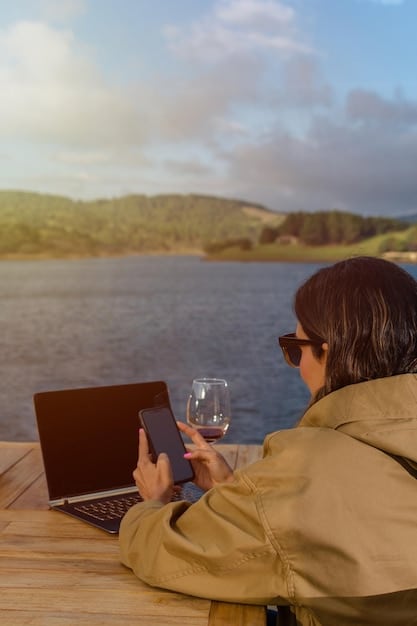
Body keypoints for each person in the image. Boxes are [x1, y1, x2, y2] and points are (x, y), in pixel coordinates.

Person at [119, 256, 417, 625]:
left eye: (296, 348)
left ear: (328, 351)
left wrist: (154, 502)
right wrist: (238, 493)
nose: (296, 366)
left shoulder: (309, 471)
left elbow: (162, 553)